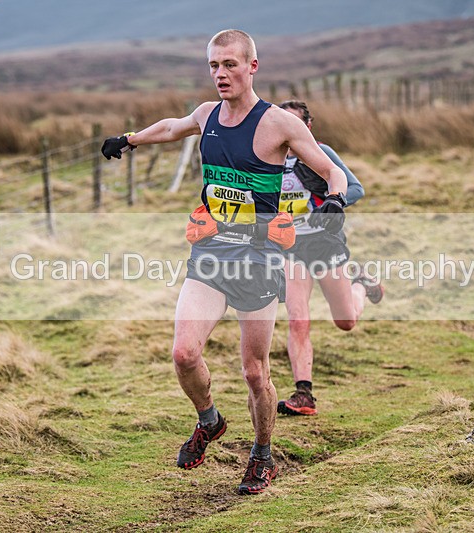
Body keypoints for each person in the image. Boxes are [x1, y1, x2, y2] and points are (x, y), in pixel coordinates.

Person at [100, 29, 349, 495]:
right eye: (214, 65)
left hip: (259, 258)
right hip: (212, 253)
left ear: (252, 66)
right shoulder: (207, 114)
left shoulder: (279, 124)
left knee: (255, 372)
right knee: (183, 352)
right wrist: (129, 139)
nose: (220, 74)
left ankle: (262, 454)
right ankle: (209, 420)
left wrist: (334, 199)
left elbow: (330, 169)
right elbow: (173, 127)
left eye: (230, 64)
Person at [276, 100, 384, 417]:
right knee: (298, 320)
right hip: (290, 247)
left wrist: (334, 202)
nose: (287, 131)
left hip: (325, 243)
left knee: (346, 321)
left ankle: (361, 284)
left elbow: (356, 188)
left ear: (307, 127)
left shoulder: (320, 152)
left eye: (294, 124)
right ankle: (303, 394)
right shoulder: (268, 159)